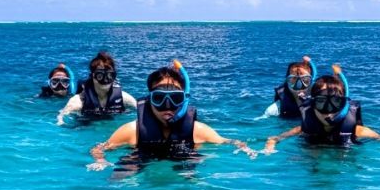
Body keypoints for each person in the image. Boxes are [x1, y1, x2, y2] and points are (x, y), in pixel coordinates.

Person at [88, 61, 257, 170]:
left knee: (193, 183)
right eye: (160, 99)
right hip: (140, 161)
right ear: (150, 99)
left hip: (183, 162)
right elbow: (99, 148)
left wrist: (243, 147)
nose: (167, 106)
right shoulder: (132, 131)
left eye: (175, 99)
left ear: (183, 101)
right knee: (119, 184)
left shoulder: (197, 131)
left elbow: (226, 141)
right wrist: (100, 160)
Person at [262, 64, 380, 157]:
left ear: (344, 105)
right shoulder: (304, 128)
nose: (328, 111)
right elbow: (274, 138)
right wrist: (269, 149)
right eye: (321, 103)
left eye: (335, 103)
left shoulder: (357, 131)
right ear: (312, 105)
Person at [57, 52, 137, 125]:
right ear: (92, 76)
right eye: (100, 75)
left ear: (114, 76)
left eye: (109, 75)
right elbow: (61, 118)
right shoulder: (79, 101)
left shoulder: (123, 97)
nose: (105, 80)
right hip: (86, 127)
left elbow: (141, 109)